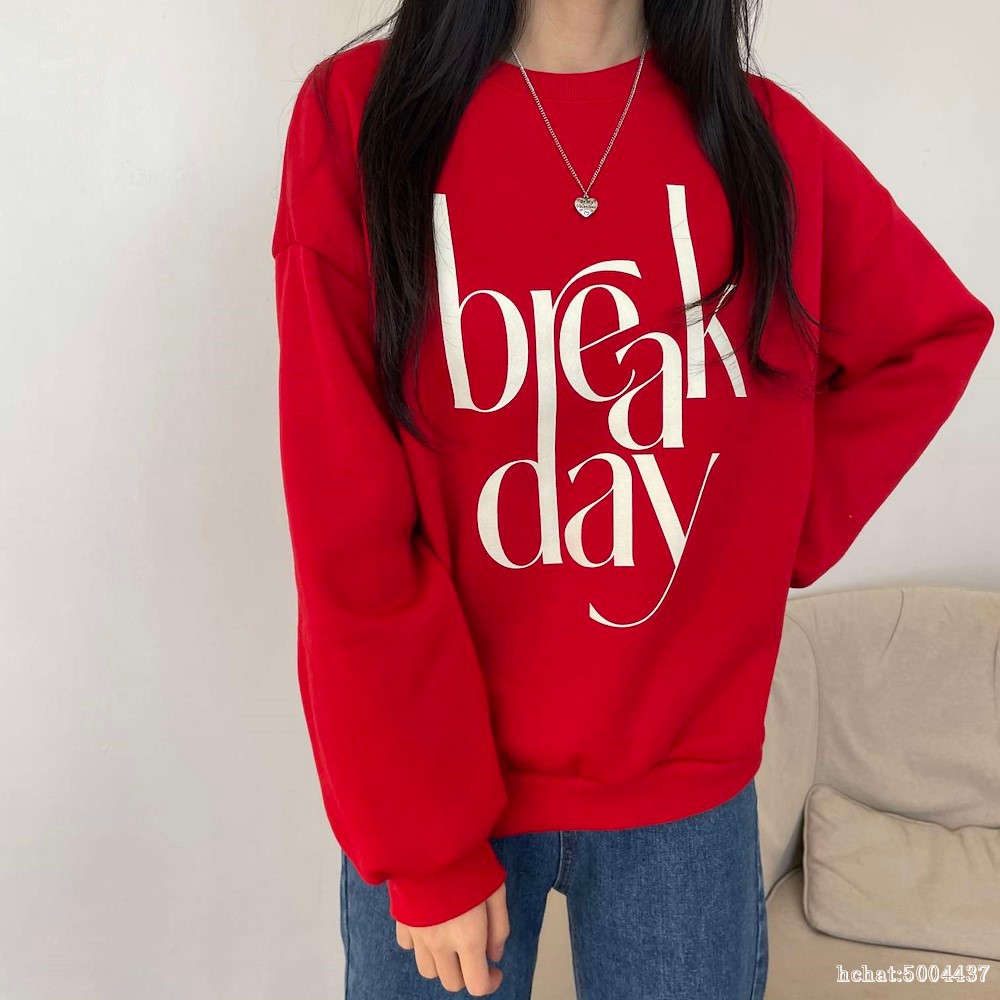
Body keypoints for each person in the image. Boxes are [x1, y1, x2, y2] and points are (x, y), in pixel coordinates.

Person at [269, 0, 994, 996]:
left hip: (684, 796)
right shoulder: (362, 118)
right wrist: (427, 845)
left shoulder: (767, 143)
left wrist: (757, 538)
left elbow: (928, 336)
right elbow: (346, 520)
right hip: (432, 783)